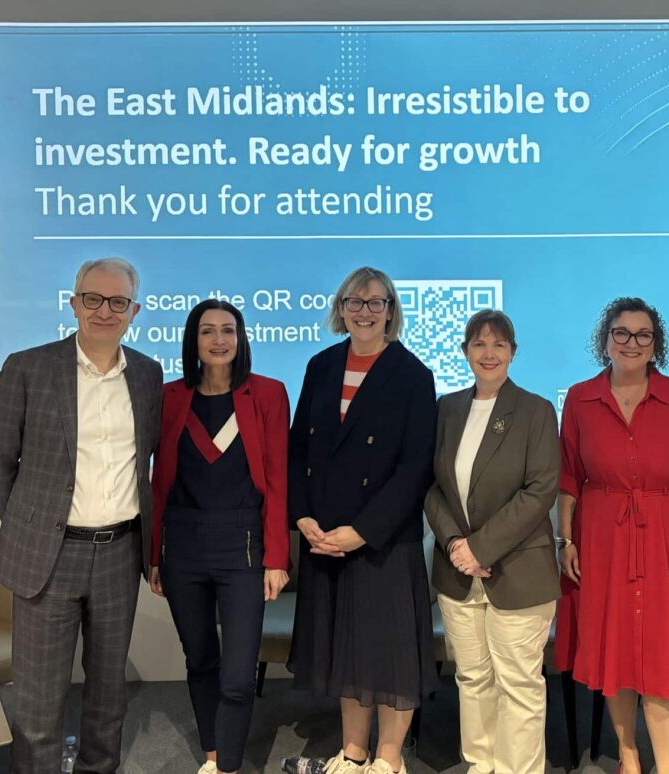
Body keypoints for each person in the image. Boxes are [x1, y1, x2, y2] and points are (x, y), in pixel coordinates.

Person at [0, 257, 162, 773]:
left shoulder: (148, 375)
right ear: (74, 303)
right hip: (49, 557)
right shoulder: (27, 367)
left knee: (108, 699)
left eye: (118, 302)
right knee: (38, 706)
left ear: (135, 311)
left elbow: (148, 460)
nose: (105, 310)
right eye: (93, 299)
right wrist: (30, 527)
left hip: (120, 553)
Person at [556, 297, 669, 774]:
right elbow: (569, 478)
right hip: (601, 542)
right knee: (616, 658)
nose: (632, 343)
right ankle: (629, 759)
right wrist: (565, 540)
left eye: (643, 334)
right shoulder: (580, 398)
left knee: (662, 663)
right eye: (622, 333)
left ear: (656, 344)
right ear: (605, 340)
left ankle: (664, 769)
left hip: (667, 542)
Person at [282, 267, 437, 774]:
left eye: (376, 302)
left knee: (389, 653)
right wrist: (302, 515)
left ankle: (389, 759)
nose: (365, 311)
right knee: (346, 651)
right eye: (356, 301)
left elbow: (415, 467)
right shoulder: (321, 365)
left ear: (391, 310)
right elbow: (299, 446)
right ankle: (352, 752)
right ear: (341, 307)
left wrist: (363, 532)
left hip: (381, 540)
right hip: (324, 534)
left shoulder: (413, 375)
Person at [149, 299, 290, 774]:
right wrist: (153, 555)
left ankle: (227, 765)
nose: (218, 340)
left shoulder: (268, 394)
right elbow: (155, 483)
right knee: (201, 659)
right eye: (207, 331)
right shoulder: (169, 398)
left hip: (244, 547)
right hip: (182, 546)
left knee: (237, 674)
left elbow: (277, 482)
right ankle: (213, 755)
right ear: (192, 340)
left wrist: (277, 557)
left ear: (241, 337)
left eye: (227, 330)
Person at [424, 309, 560, 774]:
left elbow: (541, 489)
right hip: (457, 571)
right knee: (472, 679)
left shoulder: (536, 410)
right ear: (464, 352)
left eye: (498, 344)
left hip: (519, 571)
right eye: (479, 344)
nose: (488, 353)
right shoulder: (447, 408)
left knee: (519, 683)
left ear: (513, 353)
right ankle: (480, 766)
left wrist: (481, 548)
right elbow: (432, 486)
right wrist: (456, 543)